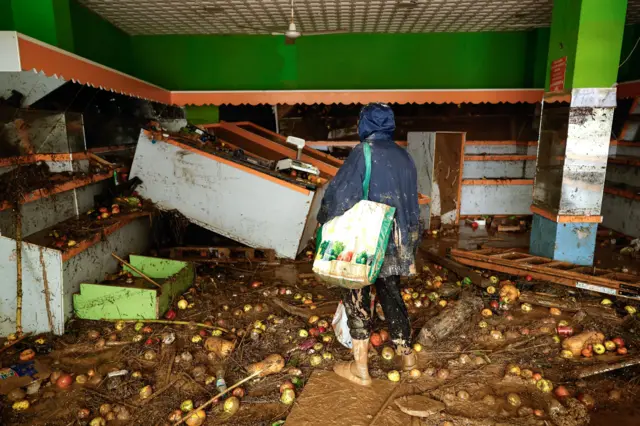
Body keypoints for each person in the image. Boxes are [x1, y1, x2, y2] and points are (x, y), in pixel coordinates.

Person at [317, 103, 421, 386]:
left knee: (356, 296)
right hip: (397, 239)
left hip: (366, 242)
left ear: (364, 124)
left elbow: (340, 195)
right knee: (391, 292)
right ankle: (407, 354)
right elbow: (412, 201)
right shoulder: (404, 156)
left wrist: (323, 220)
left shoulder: (362, 153)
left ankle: (360, 368)